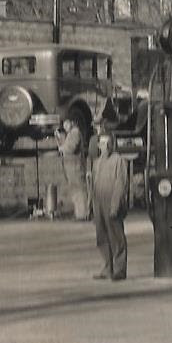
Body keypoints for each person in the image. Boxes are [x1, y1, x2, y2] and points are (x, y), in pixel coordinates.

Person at [91, 132, 130, 280]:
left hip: (111, 200)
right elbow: (93, 184)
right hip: (98, 201)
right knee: (101, 236)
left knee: (116, 237)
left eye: (107, 143)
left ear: (112, 145)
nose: (104, 146)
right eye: (101, 143)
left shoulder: (118, 160)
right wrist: (91, 205)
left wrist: (115, 205)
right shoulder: (97, 162)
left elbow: (121, 183)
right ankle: (108, 267)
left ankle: (120, 269)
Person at [54, 110, 89, 220]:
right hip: (70, 167)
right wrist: (59, 139)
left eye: (66, 123)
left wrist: (60, 147)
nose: (64, 126)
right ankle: (79, 213)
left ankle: (83, 214)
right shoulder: (70, 133)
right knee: (75, 190)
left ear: (72, 122)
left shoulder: (75, 132)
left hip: (75, 167)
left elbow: (70, 148)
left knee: (79, 190)